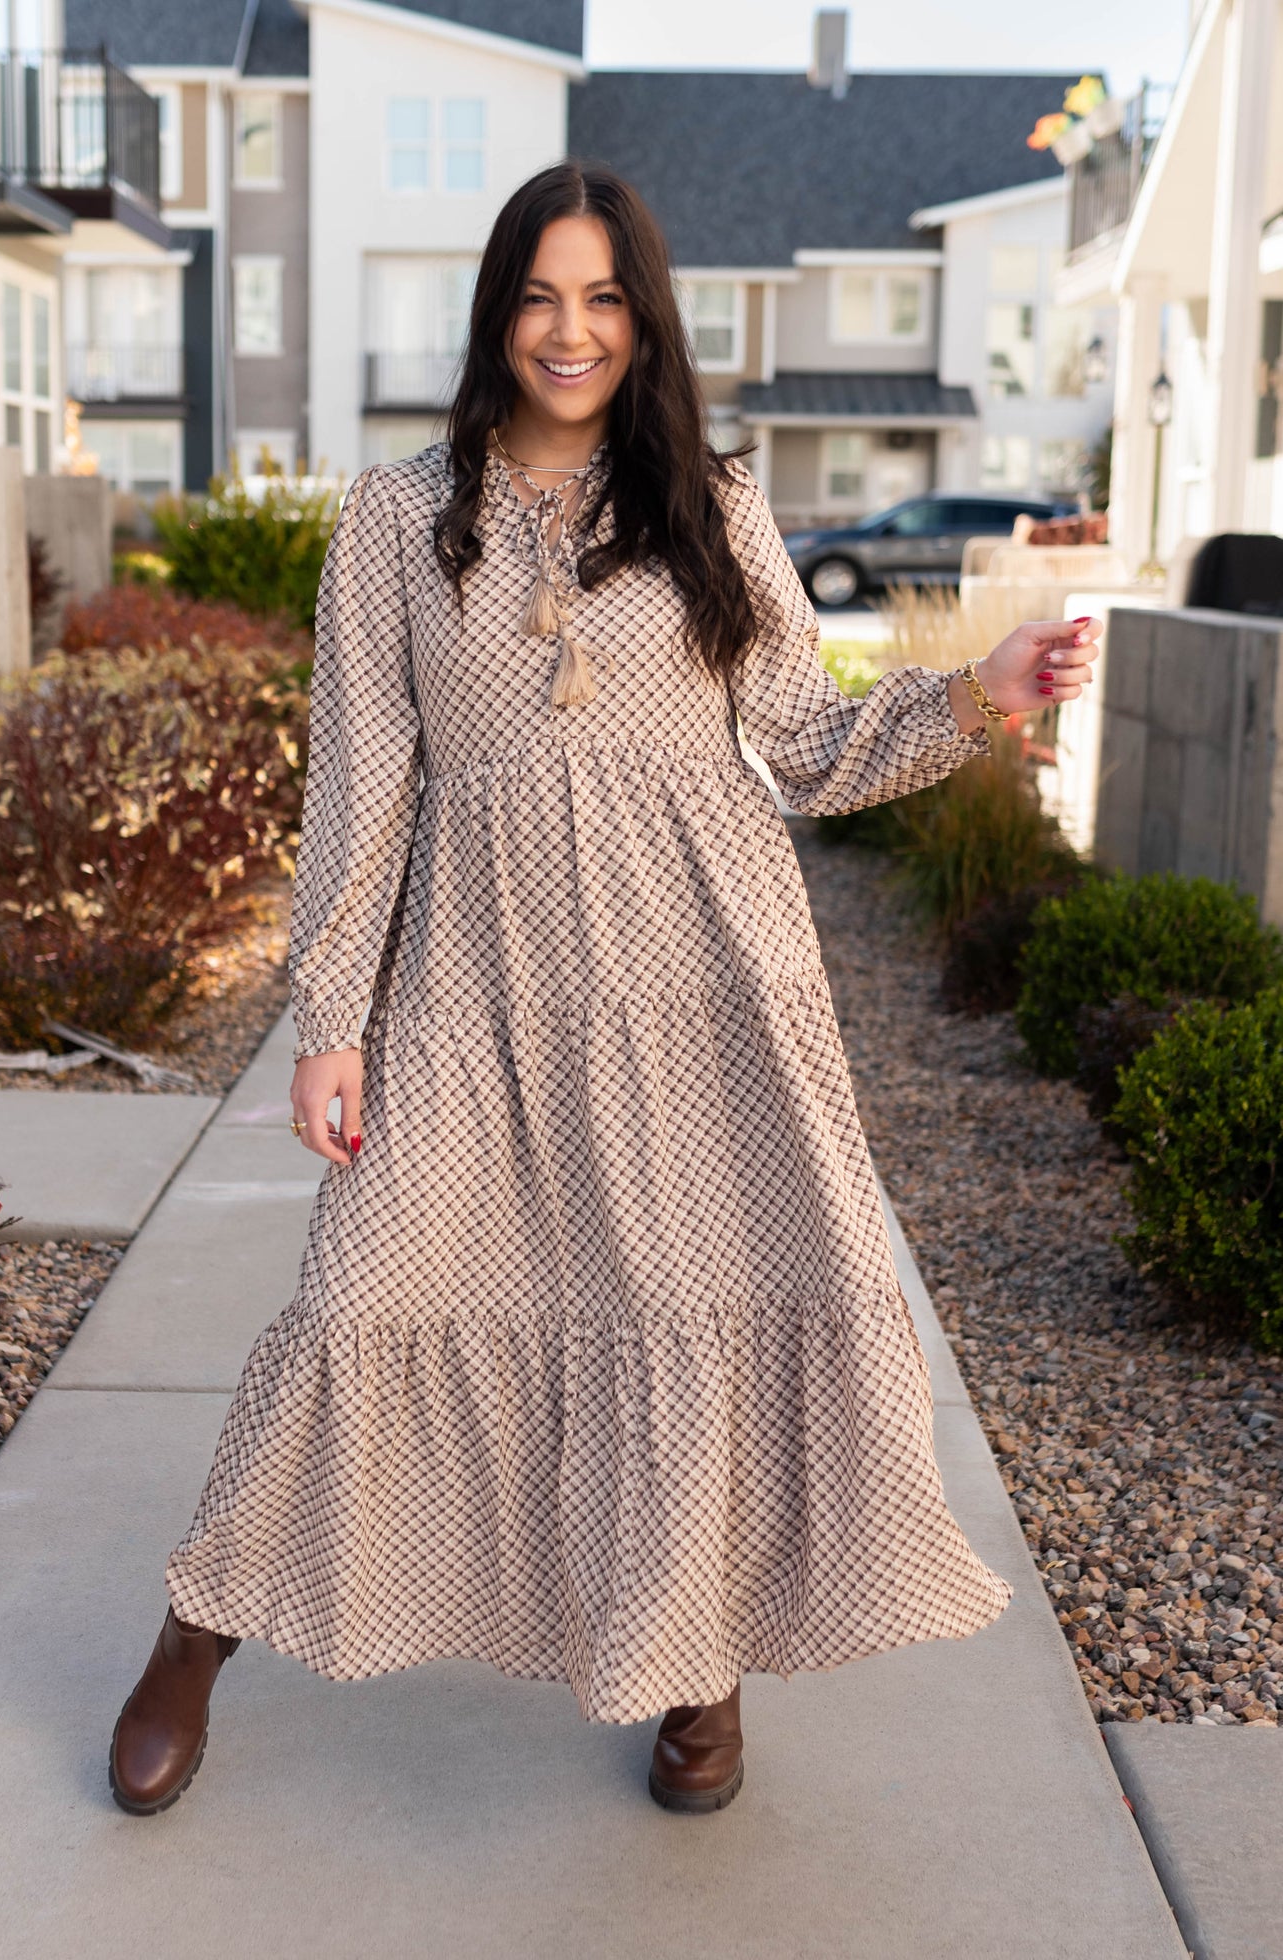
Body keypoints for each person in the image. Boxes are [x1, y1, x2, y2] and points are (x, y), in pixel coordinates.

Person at [108, 162, 1100, 1818]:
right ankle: (198, 1632)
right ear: (499, 311)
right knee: (362, 1302)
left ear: (643, 319)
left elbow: (806, 739)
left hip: (704, 977)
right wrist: (332, 1020)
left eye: (603, 299)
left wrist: (977, 695)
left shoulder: (712, 500)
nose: (570, 333)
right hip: (478, 985)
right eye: (540, 296)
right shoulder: (397, 521)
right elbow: (363, 792)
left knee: (682, 1312)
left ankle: (697, 1678)